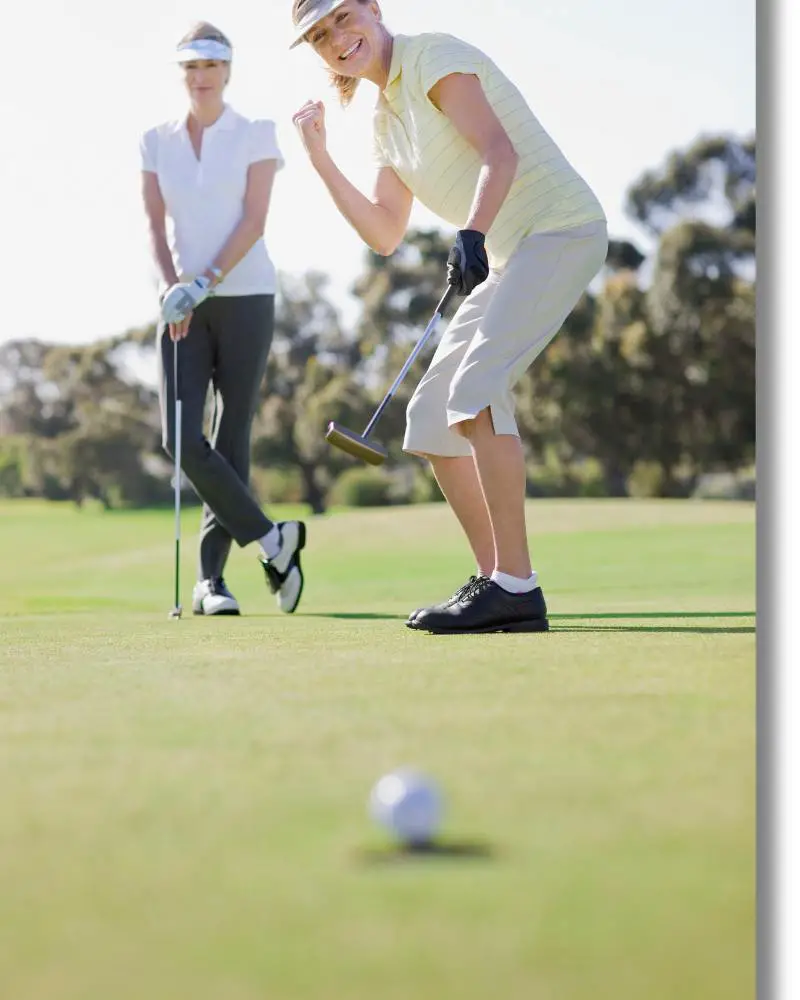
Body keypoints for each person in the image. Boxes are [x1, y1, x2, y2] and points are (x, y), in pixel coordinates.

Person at [290, 1, 608, 635]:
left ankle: (516, 586)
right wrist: (321, 158)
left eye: (345, 16)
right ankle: (499, 583)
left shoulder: (431, 55)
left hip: (561, 230)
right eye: (321, 35)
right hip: (514, 253)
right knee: (431, 418)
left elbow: (500, 152)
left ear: (374, 9)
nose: (338, 38)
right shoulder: (384, 122)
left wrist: (471, 233)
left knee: (476, 389)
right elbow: (384, 232)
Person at [140, 21, 306, 617]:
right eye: (190, 66)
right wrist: (172, 289)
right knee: (179, 439)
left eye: (210, 65)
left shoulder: (256, 134)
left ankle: (211, 582)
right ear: (180, 73)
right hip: (180, 307)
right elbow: (155, 230)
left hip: (246, 298)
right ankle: (272, 539)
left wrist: (201, 284)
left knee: (232, 439)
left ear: (228, 71)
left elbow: (253, 221)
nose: (200, 76)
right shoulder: (155, 141)